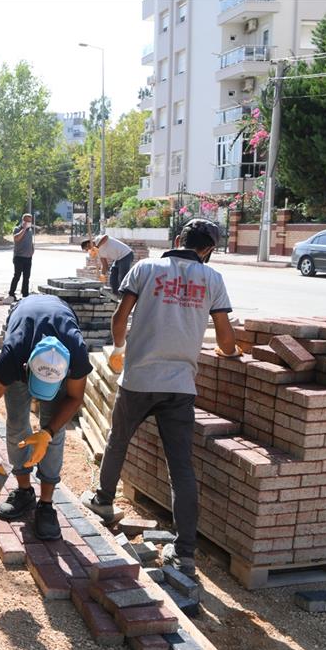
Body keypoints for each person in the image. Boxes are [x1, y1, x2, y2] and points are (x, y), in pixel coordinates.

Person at [83, 218, 239, 577]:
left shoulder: (146, 268)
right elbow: (226, 339)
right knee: (180, 466)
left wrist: (119, 349)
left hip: (139, 378)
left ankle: (103, 501)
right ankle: (184, 553)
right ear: (208, 249)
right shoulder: (213, 279)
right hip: (180, 386)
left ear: (178, 238)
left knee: (118, 439)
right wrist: (232, 353)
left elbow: (120, 317)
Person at [0, 294, 92, 540]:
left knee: (53, 430)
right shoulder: (12, 356)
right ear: (25, 368)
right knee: (16, 422)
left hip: (59, 321)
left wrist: (47, 433)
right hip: (24, 324)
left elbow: (74, 398)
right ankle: (24, 491)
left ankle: (46, 504)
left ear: (65, 372)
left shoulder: (76, 355)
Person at [9, 213, 35, 299]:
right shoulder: (17, 229)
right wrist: (23, 229)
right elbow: (16, 239)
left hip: (28, 258)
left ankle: (25, 294)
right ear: (23, 221)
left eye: (30, 221)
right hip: (19, 257)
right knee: (17, 276)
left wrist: (32, 250)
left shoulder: (30, 230)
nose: (29, 223)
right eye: (27, 221)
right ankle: (11, 293)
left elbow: (30, 241)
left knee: (26, 277)